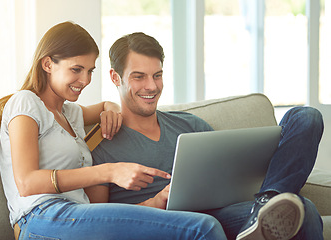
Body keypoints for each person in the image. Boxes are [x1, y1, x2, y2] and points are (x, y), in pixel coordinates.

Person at [0, 22, 227, 240]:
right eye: (76, 69)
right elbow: (27, 183)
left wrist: (112, 107)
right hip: (39, 217)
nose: (84, 80)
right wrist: (109, 172)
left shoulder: (71, 113)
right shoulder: (25, 102)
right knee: (202, 228)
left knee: (206, 222)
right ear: (47, 64)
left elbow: (107, 105)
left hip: (78, 215)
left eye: (90, 71)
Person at [92, 32, 325, 240]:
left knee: (306, 118)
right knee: (302, 211)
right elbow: (96, 225)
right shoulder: (102, 144)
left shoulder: (190, 125)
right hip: (171, 224)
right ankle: (266, 208)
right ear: (115, 78)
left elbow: (226, 177)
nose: (151, 86)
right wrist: (157, 202)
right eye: (139, 77)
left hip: (223, 211)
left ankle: (268, 201)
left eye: (157, 75)